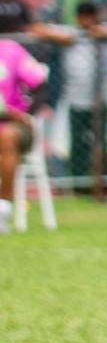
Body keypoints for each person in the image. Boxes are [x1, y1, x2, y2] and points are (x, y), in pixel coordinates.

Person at [29, 2, 107, 183]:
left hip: (101, 99)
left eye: (92, 16)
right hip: (76, 99)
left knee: (101, 142)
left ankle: (103, 181)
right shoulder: (71, 33)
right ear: (78, 18)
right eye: (84, 17)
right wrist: (63, 38)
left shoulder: (104, 32)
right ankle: (79, 183)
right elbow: (35, 29)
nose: (88, 21)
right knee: (78, 144)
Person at [0, 35, 48, 232]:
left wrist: (26, 115)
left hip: (15, 128)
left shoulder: (10, 50)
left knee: (7, 136)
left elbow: (40, 85)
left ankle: (3, 209)